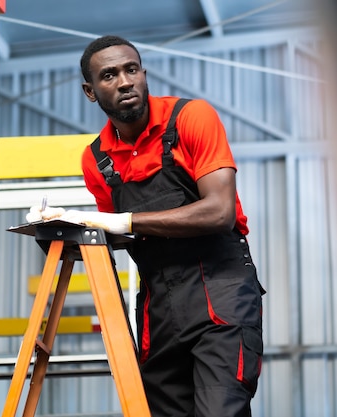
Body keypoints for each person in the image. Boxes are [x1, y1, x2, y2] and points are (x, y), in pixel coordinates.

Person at [30, 35, 264, 417]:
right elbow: (120, 233)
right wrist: (67, 227)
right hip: (159, 304)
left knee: (220, 409)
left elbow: (220, 211)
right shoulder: (97, 159)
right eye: (109, 75)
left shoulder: (191, 117)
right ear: (90, 92)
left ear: (143, 74)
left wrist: (121, 219)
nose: (125, 81)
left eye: (131, 69)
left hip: (220, 291)